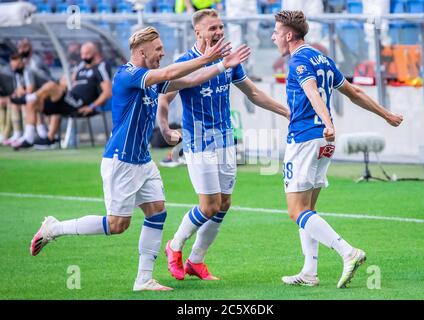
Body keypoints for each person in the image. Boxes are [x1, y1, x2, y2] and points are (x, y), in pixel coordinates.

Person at [28, 26, 251, 292]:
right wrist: (205, 58)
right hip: (121, 160)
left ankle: (144, 279)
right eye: (158, 49)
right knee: (117, 225)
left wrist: (221, 65)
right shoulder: (128, 75)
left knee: (157, 210)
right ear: (142, 51)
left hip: (143, 161)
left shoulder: (151, 79)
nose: (163, 53)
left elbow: (190, 81)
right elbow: (168, 73)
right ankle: (54, 228)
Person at [271, 10, 403, 288]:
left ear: (289, 35)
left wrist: (329, 123)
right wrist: (386, 114)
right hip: (323, 142)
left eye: (276, 32)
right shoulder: (323, 58)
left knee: (296, 211)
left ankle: (348, 252)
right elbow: (354, 93)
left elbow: (312, 92)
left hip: (306, 138)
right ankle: (309, 272)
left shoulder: (298, 61)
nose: (273, 37)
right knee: (309, 209)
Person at [159, 9, 289, 281]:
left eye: (220, 27)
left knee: (224, 203)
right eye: (212, 28)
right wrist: (164, 127)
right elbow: (164, 98)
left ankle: (196, 260)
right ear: (198, 32)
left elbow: (252, 92)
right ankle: (174, 245)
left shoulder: (229, 62)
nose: (218, 32)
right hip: (198, 142)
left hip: (225, 140)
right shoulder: (185, 62)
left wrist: (286, 112)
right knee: (208, 206)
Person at [11, 42, 112, 149]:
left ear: (95, 53)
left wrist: (92, 106)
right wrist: (64, 83)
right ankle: (29, 138)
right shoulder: (81, 66)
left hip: (79, 103)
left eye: (87, 54)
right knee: (32, 104)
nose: (83, 57)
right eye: (82, 54)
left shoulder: (101, 67)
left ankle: (30, 97)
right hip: (69, 98)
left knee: (50, 85)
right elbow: (66, 81)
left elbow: (107, 92)